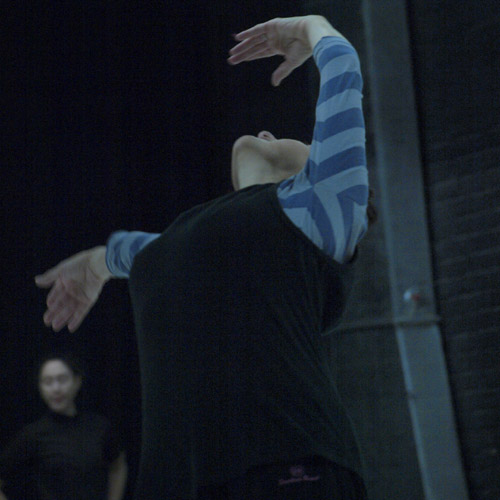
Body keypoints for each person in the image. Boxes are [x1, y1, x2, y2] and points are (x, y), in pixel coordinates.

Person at [35, 15, 373, 499]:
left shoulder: (324, 206)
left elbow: (343, 68)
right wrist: (95, 264)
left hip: (289, 468)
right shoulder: (182, 241)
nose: (268, 133)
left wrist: (312, 26)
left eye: (293, 141)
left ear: (317, 169)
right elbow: (136, 250)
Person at [0, 355, 128, 500]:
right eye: (48, 382)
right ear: (40, 387)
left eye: (62, 379)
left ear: (77, 382)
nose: (56, 388)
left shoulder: (99, 426)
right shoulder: (33, 434)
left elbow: (118, 465)